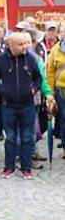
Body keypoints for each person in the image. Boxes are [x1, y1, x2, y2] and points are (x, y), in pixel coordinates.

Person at [0, 32, 43, 179]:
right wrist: (3, 90)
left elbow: (38, 77)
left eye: (26, 43)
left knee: (27, 137)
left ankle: (26, 168)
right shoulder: (1, 59)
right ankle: (9, 167)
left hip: (28, 105)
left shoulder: (30, 59)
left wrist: (34, 89)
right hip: (9, 105)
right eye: (21, 44)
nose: (25, 46)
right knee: (11, 138)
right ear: (11, 45)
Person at [48, 25, 65, 158]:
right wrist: (51, 91)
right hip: (61, 88)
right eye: (63, 32)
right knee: (64, 117)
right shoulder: (55, 50)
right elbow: (50, 72)